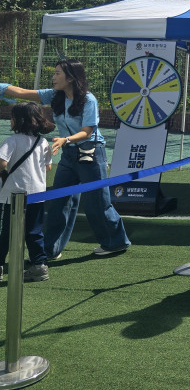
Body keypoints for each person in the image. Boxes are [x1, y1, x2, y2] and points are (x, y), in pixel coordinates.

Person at [0, 58, 131, 259]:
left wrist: (66, 139)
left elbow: (88, 132)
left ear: (70, 77)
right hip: (69, 154)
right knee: (59, 201)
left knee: (97, 201)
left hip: (91, 152)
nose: (53, 77)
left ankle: (116, 242)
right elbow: (22, 93)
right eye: (54, 73)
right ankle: (51, 249)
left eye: (57, 73)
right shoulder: (54, 95)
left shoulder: (89, 100)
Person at [0, 102, 55, 282]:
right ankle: (39, 266)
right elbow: (47, 167)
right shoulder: (43, 142)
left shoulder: (12, 141)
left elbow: (2, 162)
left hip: (14, 195)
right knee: (34, 231)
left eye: (12, 117)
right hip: (37, 194)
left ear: (19, 120)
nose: (11, 120)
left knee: (7, 232)